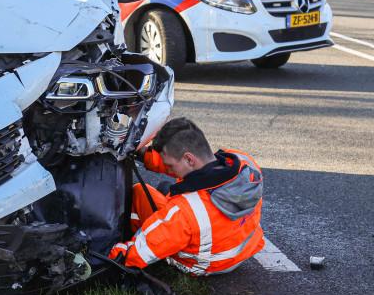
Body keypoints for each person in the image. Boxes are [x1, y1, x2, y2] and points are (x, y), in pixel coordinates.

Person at [110, 117, 264, 276]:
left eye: (170, 165)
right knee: (167, 188)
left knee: (140, 193)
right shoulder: (245, 164)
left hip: (206, 264)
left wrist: (112, 253)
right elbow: (186, 164)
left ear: (189, 159)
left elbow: (137, 254)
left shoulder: (185, 212)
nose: (170, 169)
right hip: (243, 250)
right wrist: (143, 154)